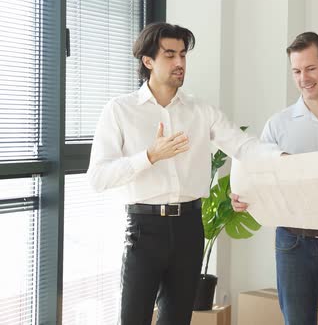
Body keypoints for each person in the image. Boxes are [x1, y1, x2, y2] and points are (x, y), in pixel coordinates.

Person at [87, 22, 282, 325]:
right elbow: (98, 177)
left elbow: (242, 145)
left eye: (183, 55)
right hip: (143, 229)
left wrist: (284, 159)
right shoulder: (119, 110)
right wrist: (150, 156)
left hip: (190, 227)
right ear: (148, 61)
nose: (180, 63)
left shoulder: (200, 111)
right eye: (169, 55)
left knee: (177, 319)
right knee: (132, 319)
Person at [231, 32, 318, 325]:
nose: (303, 78)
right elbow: (259, 176)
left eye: (310, 68)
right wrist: (243, 197)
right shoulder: (277, 124)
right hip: (293, 243)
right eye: (296, 71)